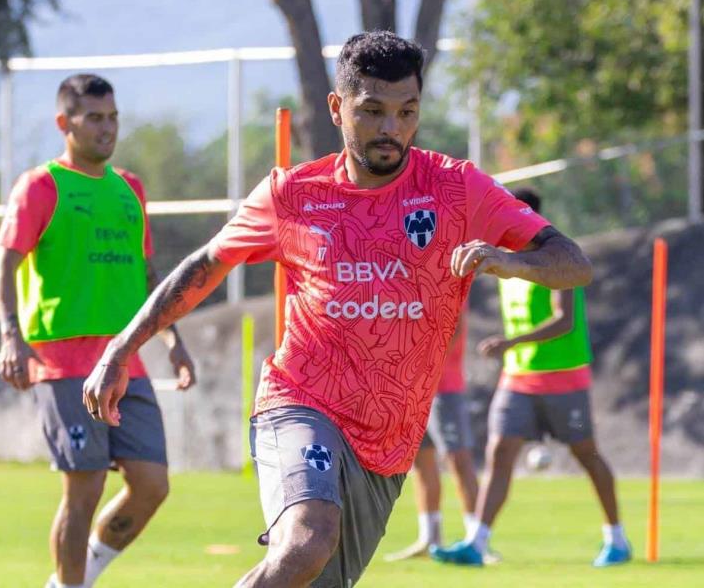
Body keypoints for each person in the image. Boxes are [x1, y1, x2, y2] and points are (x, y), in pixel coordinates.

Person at [83, 32, 592, 587]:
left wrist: (508, 261)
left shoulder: (458, 188)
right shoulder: (292, 195)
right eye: (372, 111)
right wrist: (121, 347)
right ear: (337, 108)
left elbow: (572, 262)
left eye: (406, 112)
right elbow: (204, 267)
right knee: (308, 540)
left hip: (388, 443)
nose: (391, 128)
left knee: (310, 571)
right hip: (300, 404)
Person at [0, 74, 196, 588]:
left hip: (127, 359)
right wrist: (10, 334)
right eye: (94, 118)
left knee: (152, 484)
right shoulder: (42, 185)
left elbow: (148, 277)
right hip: (61, 362)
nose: (107, 129)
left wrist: (173, 340)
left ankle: (71, 580)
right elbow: (3, 263)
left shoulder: (131, 188)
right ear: (65, 123)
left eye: (113, 118)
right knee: (85, 488)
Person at [431, 187, 631, 568]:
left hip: (562, 377)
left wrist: (511, 342)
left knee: (586, 455)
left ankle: (617, 539)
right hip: (519, 377)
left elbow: (564, 320)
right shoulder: (505, 262)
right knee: (499, 452)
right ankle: (477, 542)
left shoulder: (557, 260)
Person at [384, 315, 482, 562]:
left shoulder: (450, 277)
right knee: (420, 461)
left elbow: (455, 327)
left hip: (444, 388)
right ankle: (429, 538)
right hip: (412, 388)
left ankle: (477, 540)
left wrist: (420, 366)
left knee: (458, 460)